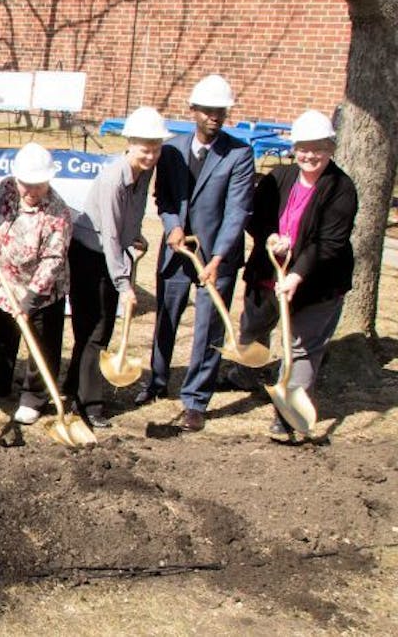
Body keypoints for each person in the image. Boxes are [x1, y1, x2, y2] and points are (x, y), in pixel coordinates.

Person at [235, 110, 356, 439]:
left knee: (301, 347)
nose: (309, 154)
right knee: (252, 326)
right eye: (303, 147)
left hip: (318, 285)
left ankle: (287, 415)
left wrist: (298, 273)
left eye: (318, 147)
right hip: (270, 274)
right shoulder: (279, 177)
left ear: (330, 148)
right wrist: (270, 237)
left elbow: (329, 243)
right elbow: (256, 218)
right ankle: (247, 374)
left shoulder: (341, 188)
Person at [146, 74, 255, 432]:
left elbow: (238, 210)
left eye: (221, 111)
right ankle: (156, 382)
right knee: (166, 315)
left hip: (216, 257)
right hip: (177, 251)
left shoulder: (239, 154)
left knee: (208, 328)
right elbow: (162, 196)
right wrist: (172, 225)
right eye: (208, 110)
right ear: (193, 110)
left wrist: (219, 257)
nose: (215, 117)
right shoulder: (173, 149)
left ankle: (195, 400)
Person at [61, 107, 167, 428]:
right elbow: (108, 234)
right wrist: (125, 285)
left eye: (156, 149)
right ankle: (88, 404)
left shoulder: (144, 172)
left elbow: (128, 217)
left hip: (110, 251)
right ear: (130, 145)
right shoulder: (112, 179)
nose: (150, 156)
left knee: (99, 329)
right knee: (94, 329)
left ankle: (72, 386)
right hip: (88, 254)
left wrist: (134, 236)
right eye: (144, 149)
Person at [0, 144, 72, 424]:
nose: (30, 192)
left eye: (37, 186)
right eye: (26, 184)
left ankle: (33, 397)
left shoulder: (58, 214)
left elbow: (53, 260)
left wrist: (30, 300)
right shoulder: (7, 188)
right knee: (0, 339)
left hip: (41, 291)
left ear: (48, 181)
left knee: (41, 346)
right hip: (4, 284)